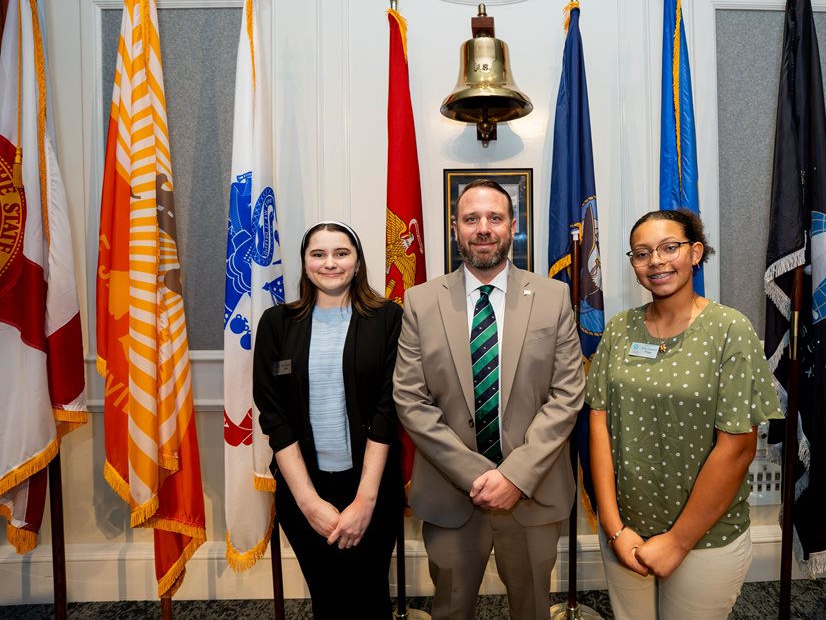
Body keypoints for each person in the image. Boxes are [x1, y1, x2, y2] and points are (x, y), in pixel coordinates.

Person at [393, 179, 586, 620]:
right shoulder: (420, 302)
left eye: (495, 218)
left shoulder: (553, 297)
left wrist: (514, 477)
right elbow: (410, 400)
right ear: (455, 229)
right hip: (451, 494)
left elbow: (567, 394)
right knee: (450, 609)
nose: (483, 228)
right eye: (471, 219)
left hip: (533, 493)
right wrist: (479, 475)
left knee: (532, 608)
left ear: (513, 226)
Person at [587, 209, 783, 620]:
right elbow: (600, 426)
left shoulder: (730, 330)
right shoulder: (619, 330)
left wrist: (677, 542)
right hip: (626, 532)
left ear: (695, 253)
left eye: (668, 248)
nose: (655, 261)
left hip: (703, 538)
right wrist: (614, 527)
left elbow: (737, 450)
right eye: (642, 253)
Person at [253, 221, 403, 619]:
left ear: (358, 262)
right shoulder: (276, 323)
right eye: (318, 254)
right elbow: (274, 416)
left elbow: (387, 410)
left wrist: (364, 502)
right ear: (305, 263)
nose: (330, 263)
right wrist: (309, 503)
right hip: (304, 488)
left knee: (371, 599)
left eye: (341, 253)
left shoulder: (388, 318)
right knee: (328, 599)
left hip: (371, 487)